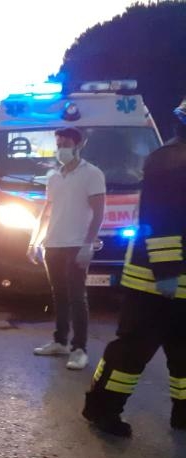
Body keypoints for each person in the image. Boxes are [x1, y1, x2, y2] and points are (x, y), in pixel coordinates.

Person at [81, 99, 186, 437]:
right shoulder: (170, 161)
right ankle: (102, 410)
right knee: (131, 352)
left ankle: (183, 414)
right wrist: (168, 271)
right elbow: (163, 218)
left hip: (175, 281)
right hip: (154, 281)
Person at [28, 127, 106, 370]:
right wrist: (34, 240)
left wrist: (88, 244)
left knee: (77, 297)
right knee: (59, 295)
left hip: (76, 245)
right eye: (58, 142)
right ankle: (60, 341)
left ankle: (79, 348)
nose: (61, 147)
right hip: (53, 244)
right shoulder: (54, 176)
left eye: (65, 143)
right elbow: (47, 211)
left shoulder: (92, 174)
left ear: (78, 145)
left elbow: (99, 212)